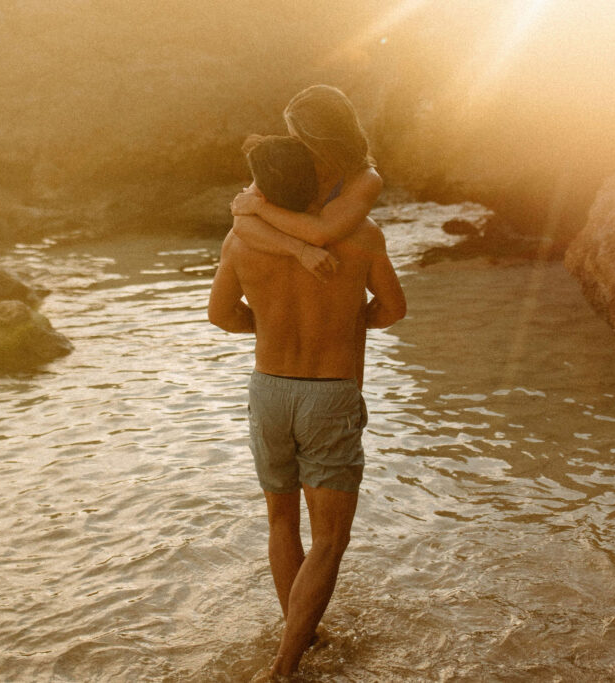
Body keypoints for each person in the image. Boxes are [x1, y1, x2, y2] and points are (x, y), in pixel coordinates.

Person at [208, 135, 406, 678]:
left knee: (281, 521)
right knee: (330, 541)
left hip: (268, 389)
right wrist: (346, 323)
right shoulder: (363, 237)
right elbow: (393, 308)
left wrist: (268, 325)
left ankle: (305, 635)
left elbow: (221, 315)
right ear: (321, 180)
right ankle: (284, 664)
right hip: (329, 394)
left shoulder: (243, 240)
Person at [230, 85, 384, 281]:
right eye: (293, 137)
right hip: (288, 282)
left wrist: (259, 207)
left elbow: (322, 232)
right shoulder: (291, 162)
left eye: (299, 138)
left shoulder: (364, 179)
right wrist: (299, 250)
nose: (295, 146)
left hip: (335, 283)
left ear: (324, 137)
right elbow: (242, 223)